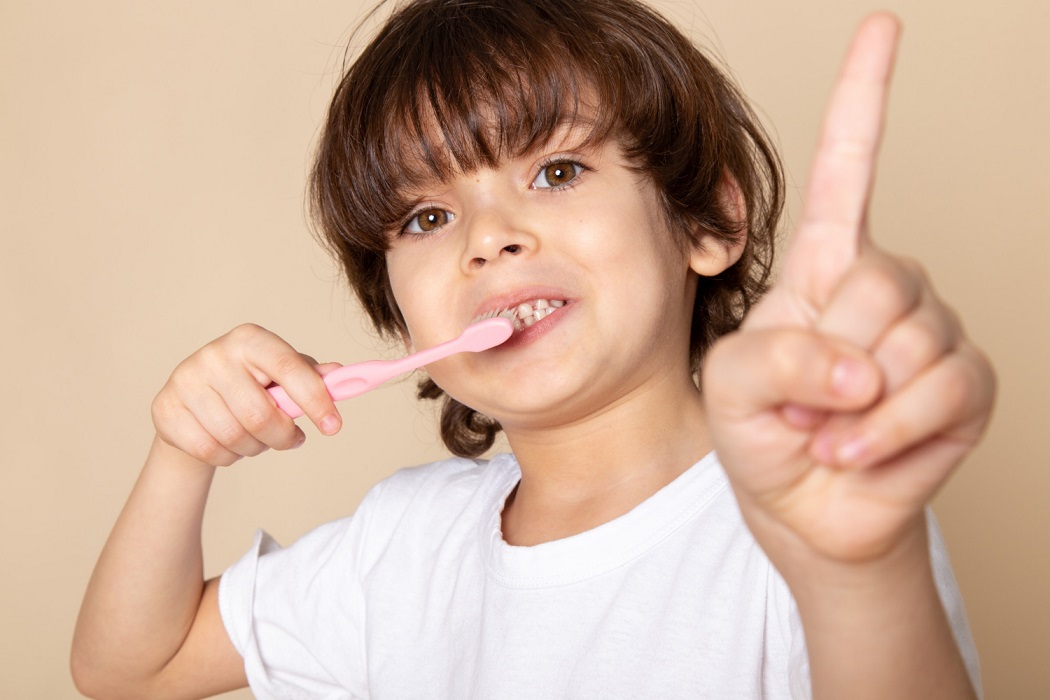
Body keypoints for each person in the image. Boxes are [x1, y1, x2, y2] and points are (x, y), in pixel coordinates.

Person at [71, 0, 995, 698]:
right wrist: (182, 454)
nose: (488, 237)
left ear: (705, 220)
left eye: (556, 171)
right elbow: (131, 668)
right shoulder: (401, 546)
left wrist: (862, 575)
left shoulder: (809, 526)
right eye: (428, 216)